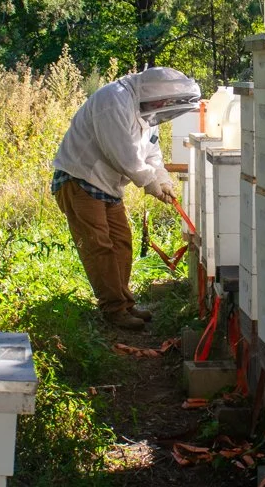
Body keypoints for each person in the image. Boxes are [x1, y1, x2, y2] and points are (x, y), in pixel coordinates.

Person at [50, 67, 202, 328]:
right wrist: (150, 182)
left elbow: (151, 152)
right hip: (80, 180)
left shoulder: (145, 112)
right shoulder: (113, 100)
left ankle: (125, 304)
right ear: (153, 91)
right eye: (163, 101)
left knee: (121, 243)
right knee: (100, 247)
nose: (163, 107)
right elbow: (124, 155)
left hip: (107, 185)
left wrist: (162, 178)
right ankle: (113, 310)